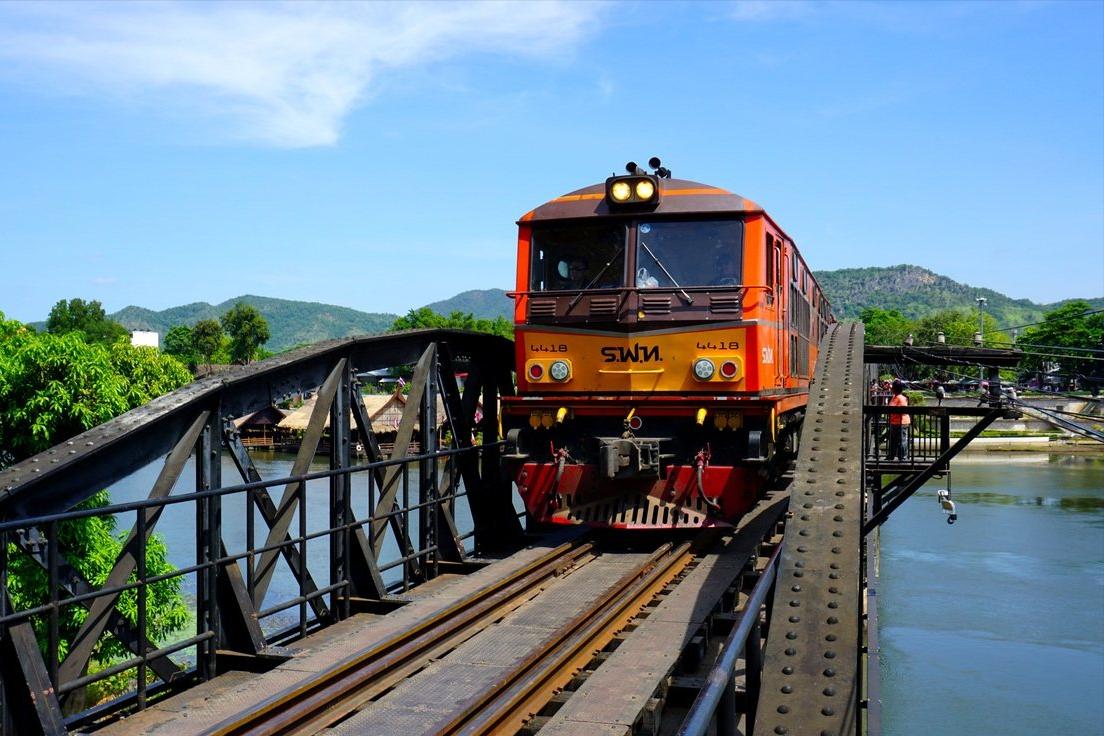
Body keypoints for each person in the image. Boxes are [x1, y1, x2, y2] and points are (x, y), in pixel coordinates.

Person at [887, 379, 911, 461]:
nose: (891, 389)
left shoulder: (901, 398)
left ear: (895, 389)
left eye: (893, 387)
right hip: (894, 422)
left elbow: (902, 410)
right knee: (893, 440)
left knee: (901, 440)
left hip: (901, 422)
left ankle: (903, 458)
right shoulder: (895, 397)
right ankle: (891, 456)